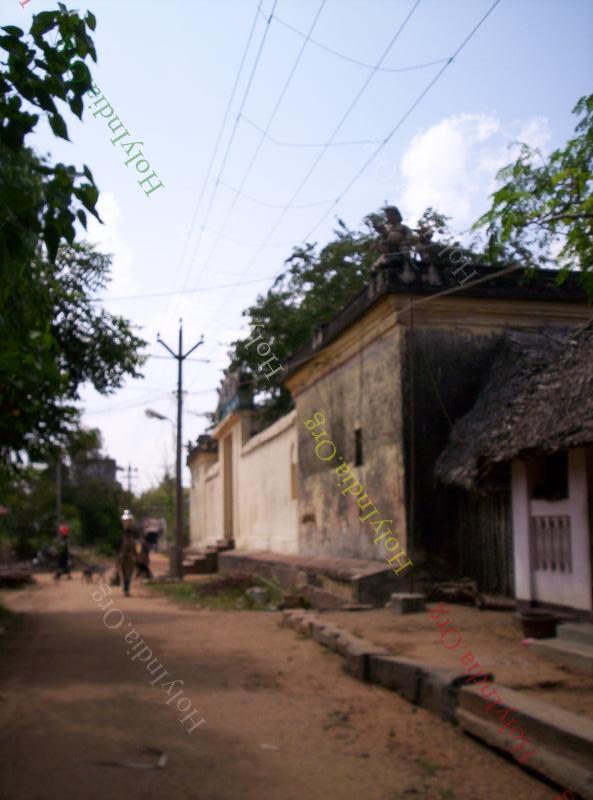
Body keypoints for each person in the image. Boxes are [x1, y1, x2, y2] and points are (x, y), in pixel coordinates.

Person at [118, 510, 137, 597]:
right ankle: (126, 589)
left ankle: (126, 589)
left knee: (126, 574)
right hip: (127, 558)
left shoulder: (125, 540)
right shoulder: (128, 540)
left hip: (125, 558)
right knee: (127, 574)